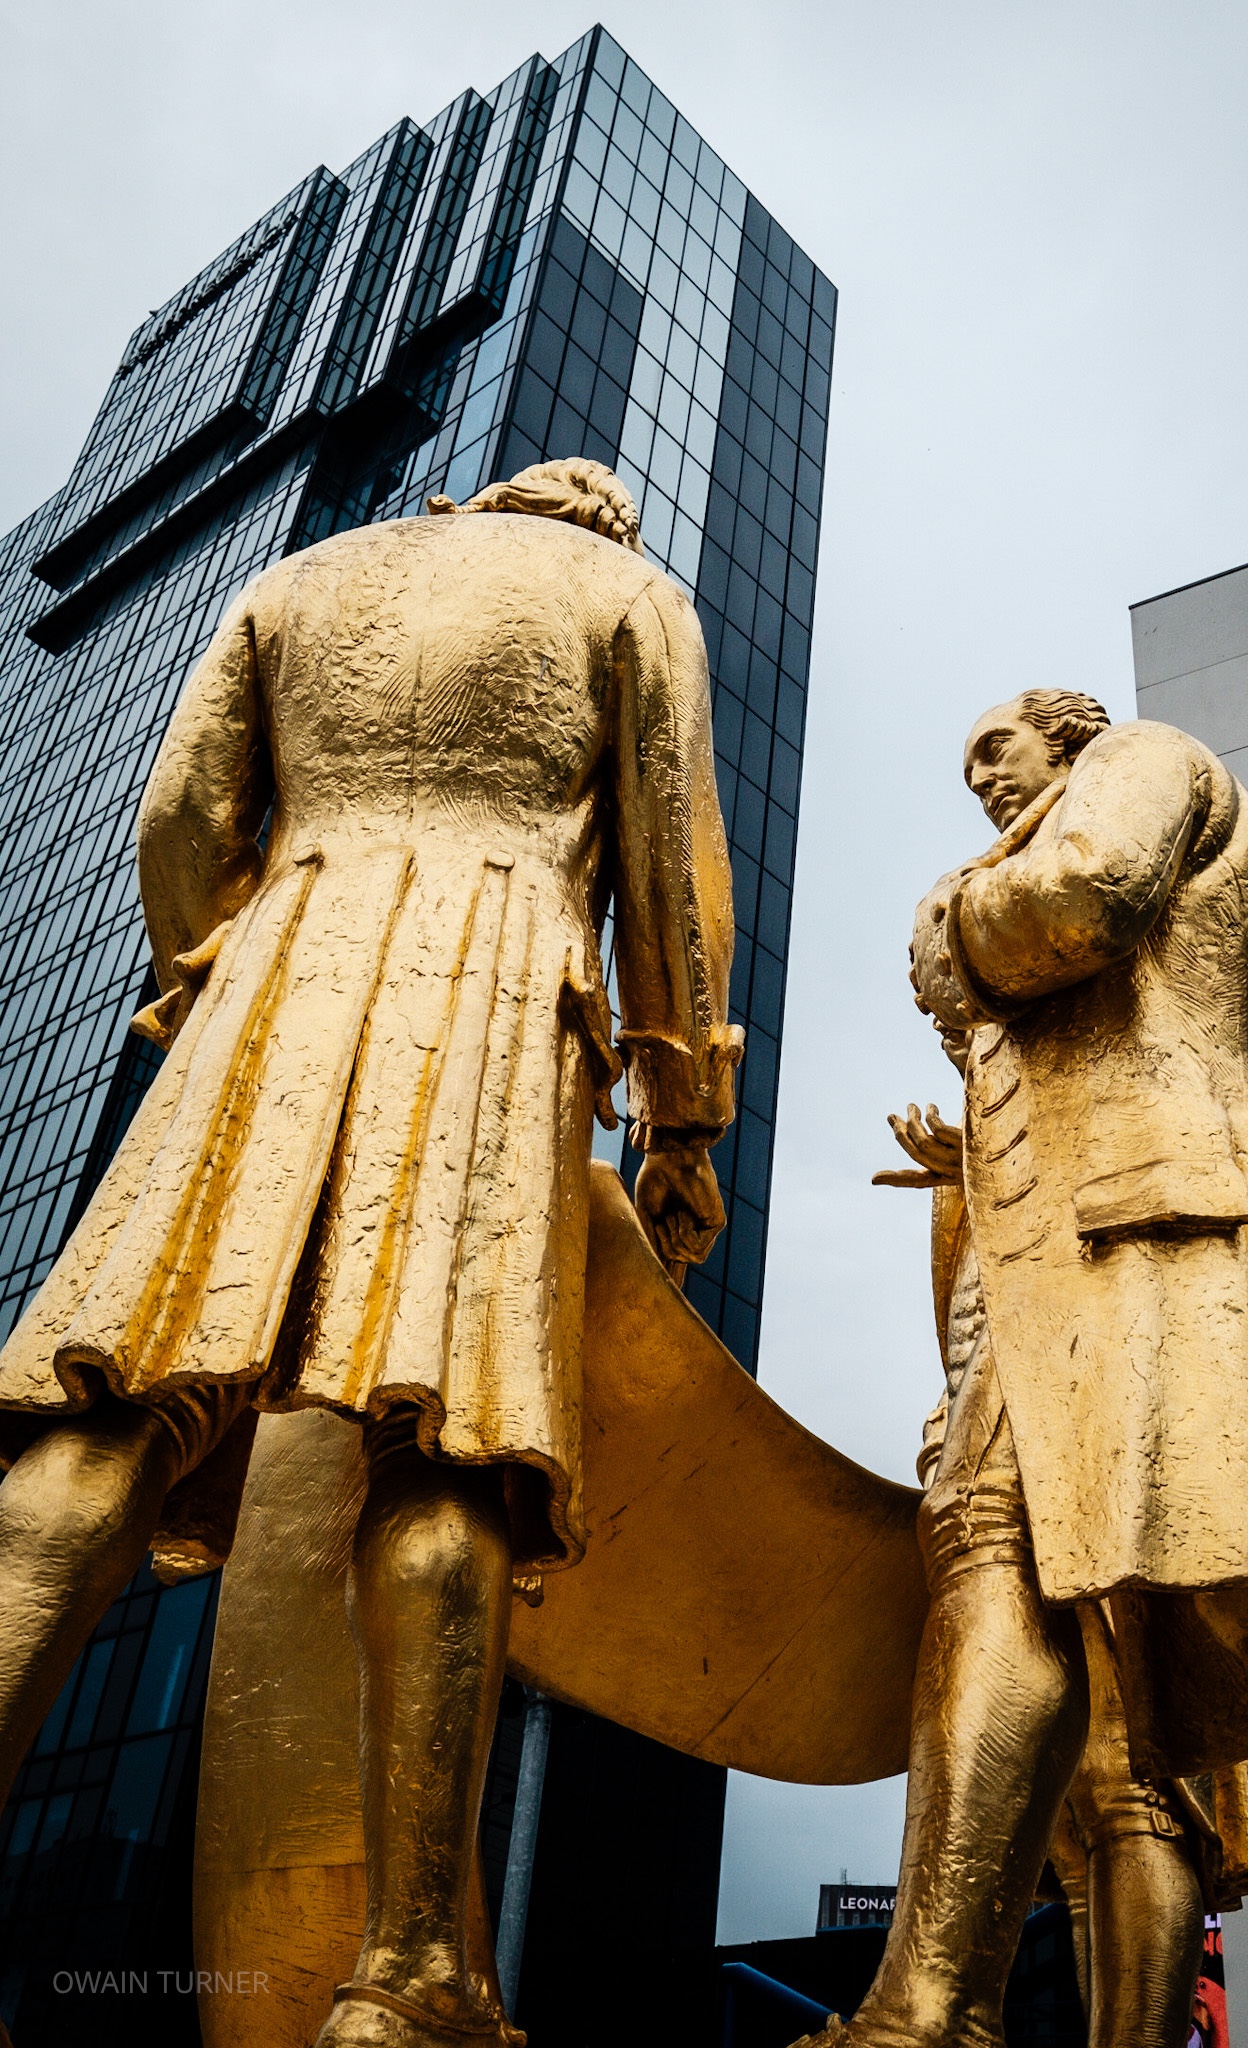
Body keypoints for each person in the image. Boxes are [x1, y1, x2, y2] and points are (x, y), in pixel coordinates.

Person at [0, 461, 740, 2048]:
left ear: (483, 500)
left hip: (277, 966)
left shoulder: (303, 579)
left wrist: (223, 968)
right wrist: (681, 1111)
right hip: (496, 980)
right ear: (596, 520)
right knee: (446, 1438)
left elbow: (181, 818)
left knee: (112, 1401)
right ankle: (409, 1976)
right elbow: (674, 860)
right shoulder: (629, 594)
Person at [806, 688, 1248, 2048]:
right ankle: (926, 2008)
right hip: (1073, 1259)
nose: (981, 776)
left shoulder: (1145, 761)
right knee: (985, 1542)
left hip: (1171, 1226)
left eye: (995, 746)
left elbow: (1087, 901)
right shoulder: (1066, 828)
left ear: (1065, 729)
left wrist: (945, 918)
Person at [876, 1096, 1248, 2048]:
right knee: (1067, 1817)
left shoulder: (1094, 1086)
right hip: (1015, 1420)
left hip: (1113, 1417)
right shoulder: (990, 1130)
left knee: (1133, 1784)